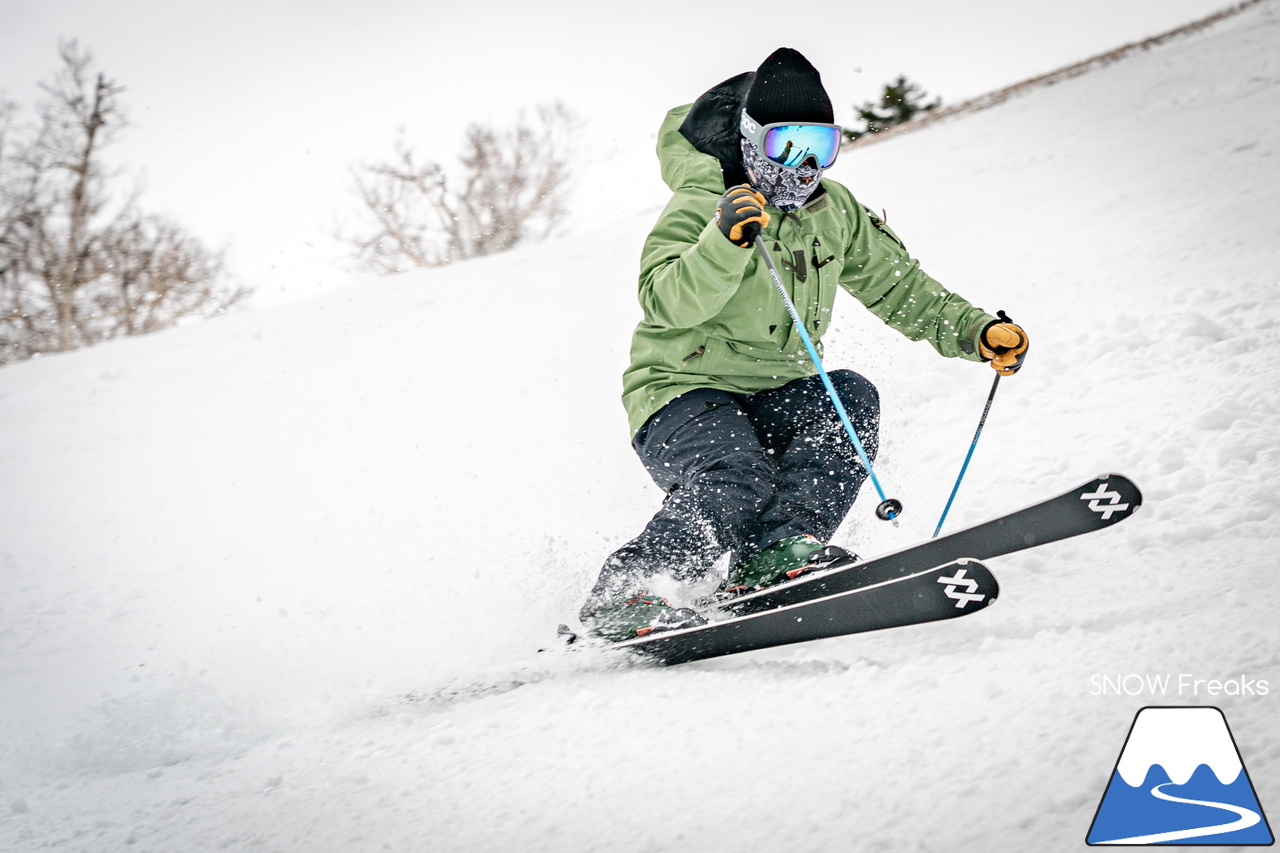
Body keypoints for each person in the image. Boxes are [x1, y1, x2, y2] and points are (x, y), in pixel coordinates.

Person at [579, 47, 1027, 642]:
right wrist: (724, 241)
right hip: (681, 392)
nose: (803, 165)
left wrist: (974, 331)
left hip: (776, 389)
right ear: (749, 139)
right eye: (785, 146)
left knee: (848, 399)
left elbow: (901, 287)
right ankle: (629, 588)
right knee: (734, 471)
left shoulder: (833, 211)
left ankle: (775, 554)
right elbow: (665, 303)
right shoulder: (703, 201)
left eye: (820, 148)